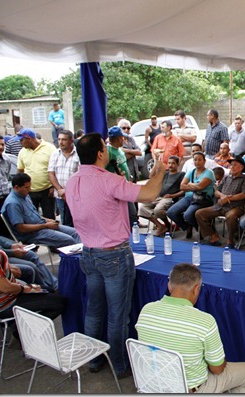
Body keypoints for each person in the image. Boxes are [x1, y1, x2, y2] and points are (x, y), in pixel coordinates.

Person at [65, 132, 166, 378]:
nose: (108, 149)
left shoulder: (72, 181)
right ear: (101, 153)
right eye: (105, 147)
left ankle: (94, 360)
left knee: (94, 310)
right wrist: (161, 171)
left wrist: (150, 178)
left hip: (89, 252)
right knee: (117, 315)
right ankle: (119, 365)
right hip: (114, 254)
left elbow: (135, 193)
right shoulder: (108, 180)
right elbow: (150, 195)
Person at [136, 263, 245, 393]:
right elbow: (217, 369)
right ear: (196, 289)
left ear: (169, 286)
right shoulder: (205, 321)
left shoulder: (146, 310)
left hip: (152, 383)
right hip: (189, 389)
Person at [0, 249, 67, 334]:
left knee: (48, 290)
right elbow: (6, 288)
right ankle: (21, 330)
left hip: (8, 296)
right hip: (5, 304)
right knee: (60, 302)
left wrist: (9, 269)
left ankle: (21, 326)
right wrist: (25, 288)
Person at [2, 172, 81, 248]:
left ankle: (85, 257)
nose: (29, 189)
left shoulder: (25, 196)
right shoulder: (13, 204)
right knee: (69, 240)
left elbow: (34, 215)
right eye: (26, 187)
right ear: (16, 187)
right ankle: (74, 260)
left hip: (42, 226)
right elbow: (21, 228)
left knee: (76, 233)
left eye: (30, 186)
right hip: (33, 234)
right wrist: (45, 225)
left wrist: (48, 220)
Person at [195, 157, 245, 248]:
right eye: (231, 165)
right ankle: (214, 235)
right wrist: (222, 196)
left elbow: (244, 194)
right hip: (221, 205)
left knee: (231, 216)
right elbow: (216, 191)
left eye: (235, 165)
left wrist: (230, 198)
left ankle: (230, 240)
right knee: (199, 213)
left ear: (241, 168)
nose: (232, 167)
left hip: (236, 207)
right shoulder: (227, 178)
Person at [166, 152, 215, 239]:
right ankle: (187, 227)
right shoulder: (191, 171)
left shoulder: (209, 172)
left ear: (204, 161)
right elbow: (182, 186)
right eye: (195, 160)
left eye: (200, 159)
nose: (197, 162)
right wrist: (195, 185)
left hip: (202, 199)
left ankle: (202, 229)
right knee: (171, 212)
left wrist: (189, 184)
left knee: (187, 215)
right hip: (189, 197)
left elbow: (200, 187)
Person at [138, 156, 184, 237]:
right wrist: (156, 163)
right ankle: (160, 226)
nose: (170, 165)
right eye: (169, 163)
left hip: (170, 198)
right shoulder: (165, 173)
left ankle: (166, 224)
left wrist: (173, 195)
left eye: (173, 163)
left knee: (158, 210)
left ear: (178, 164)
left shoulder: (181, 175)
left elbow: (184, 190)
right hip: (158, 197)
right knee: (142, 208)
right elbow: (151, 176)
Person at [16, 128, 56, 220]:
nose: (20, 143)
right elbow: (20, 170)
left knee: (49, 217)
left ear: (29, 139)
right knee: (31, 218)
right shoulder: (22, 152)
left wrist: (53, 187)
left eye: (21, 140)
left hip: (47, 190)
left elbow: (56, 169)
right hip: (30, 191)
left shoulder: (49, 148)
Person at [48, 129, 80, 227]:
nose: (61, 142)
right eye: (59, 139)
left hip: (76, 195)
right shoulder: (55, 154)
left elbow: (81, 175)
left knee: (78, 221)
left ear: (71, 141)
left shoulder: (79, 154)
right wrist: (60, 190)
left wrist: (68, 191)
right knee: (65, 222)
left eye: (64, 140)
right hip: (61, 196)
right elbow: (51, 174)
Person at [0, 135, 15, 237]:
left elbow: (6, 178)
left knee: (7, 227)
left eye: (2, 144)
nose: (0, 147)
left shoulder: (7, 160)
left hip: (5, 198)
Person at [118, 119, 142, 183]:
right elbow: (123, 157)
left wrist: (126, 150)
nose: (126, 130)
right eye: (124, 128)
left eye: (128, 128)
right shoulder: (118, 141)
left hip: (134, 172)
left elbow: (140, 152)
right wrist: (134, 152)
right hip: (125, 173)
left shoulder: (131, 139)